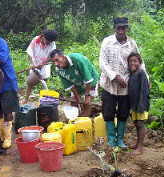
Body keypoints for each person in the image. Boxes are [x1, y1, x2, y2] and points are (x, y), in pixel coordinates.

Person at [99, 17, 147, 148]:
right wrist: (114, 76)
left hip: (126, 85)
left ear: (126, 28)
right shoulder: (107, 42)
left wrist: (146, 79)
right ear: (115, 28)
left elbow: (139, 61)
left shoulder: (132, 43)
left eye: (123, 28)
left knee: (123, 112)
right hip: (109, 84)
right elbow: (102, 62)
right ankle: (111, 139)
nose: (121, 30)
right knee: (108, 112)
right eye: (118, 28)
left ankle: (120, 140)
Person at [48, 49, 99, 117]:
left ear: (63, 56)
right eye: (53, 61)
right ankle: (81, 115)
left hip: (91, 81)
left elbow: (88, 79)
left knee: (87, 105)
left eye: (57, 60)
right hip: (77, 83)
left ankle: (86, 117)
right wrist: (78, 100)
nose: (56, 64)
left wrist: (87, 96)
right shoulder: (58, 69)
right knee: (74, 104)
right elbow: (70, 86)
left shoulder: (77, 60)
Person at [24, 30, 57, 104]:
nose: (49, 43)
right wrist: (32, 64)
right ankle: (26, 100)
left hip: (45, 65)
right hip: (35, 63)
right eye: (47, 40)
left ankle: (45, 101)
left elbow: (52, 56)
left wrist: (43, 64)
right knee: (30, 83)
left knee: (44, 82)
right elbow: (29, 52)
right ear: (43, 36)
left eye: (50, 41)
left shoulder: (52, 44)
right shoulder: (35, 40)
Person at [127, 52, 149, 154]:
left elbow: (144, 90)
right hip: (134, 105)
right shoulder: (132, 74)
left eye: (135, 61)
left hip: (141, 105)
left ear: (139, 62)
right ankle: (137, 144)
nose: (132, 63)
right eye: (130, 61)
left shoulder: (141, 73)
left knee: (140, 124)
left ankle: (140, 148)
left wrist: (141, 105)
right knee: (136, 124)